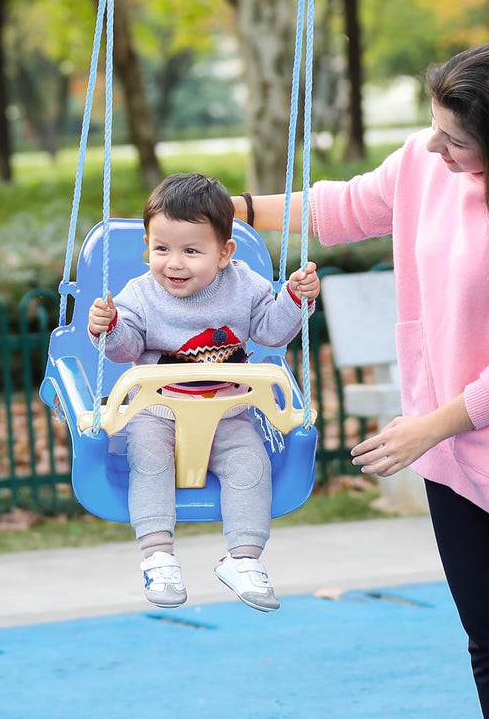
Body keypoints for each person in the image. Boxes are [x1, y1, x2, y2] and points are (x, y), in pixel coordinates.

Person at [233, 43, 489, 719]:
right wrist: (235, 210)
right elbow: (339, 208)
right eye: (434, 126)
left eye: (455, 139)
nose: (434, 146)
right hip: (451, 461)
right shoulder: (423, 168)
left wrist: (427, 426)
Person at [87, 172, 320, 612]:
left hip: (227, 411)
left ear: (224, 253)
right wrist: (109, 327)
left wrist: (293, 298)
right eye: (161, 249)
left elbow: (271, 333)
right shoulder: (139, 294)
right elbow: (125, 350)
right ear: (148, 247)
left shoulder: (245, 285)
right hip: (157, 410)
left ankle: (244, 559)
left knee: (251, 466)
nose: (174, 263)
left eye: (191, 251)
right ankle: (157, 554)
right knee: (149, 460)